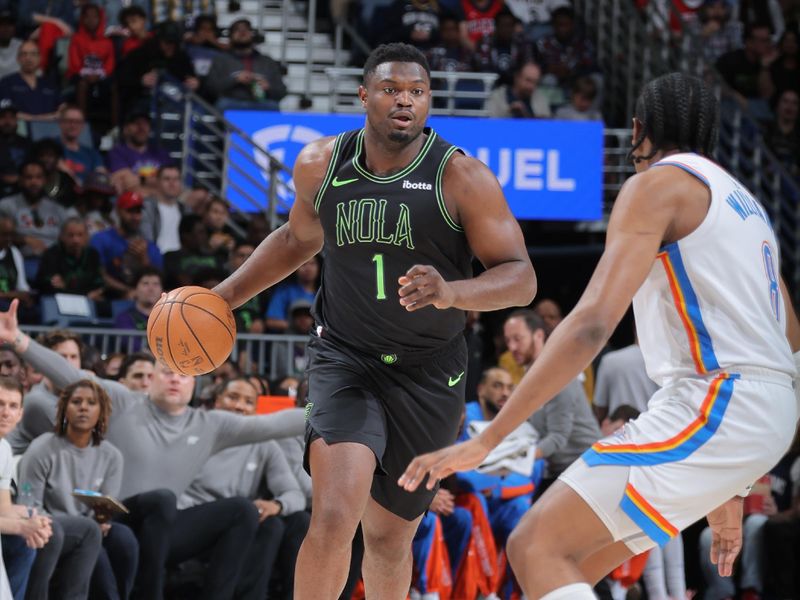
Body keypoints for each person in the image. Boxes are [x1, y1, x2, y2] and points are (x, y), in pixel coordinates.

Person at [399, 73, 800, 600]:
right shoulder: (748, 209)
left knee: (534, 547)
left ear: (638, 130)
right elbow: (788, 340)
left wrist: (488, 439)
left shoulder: (657, 184)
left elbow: (591, 324)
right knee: (573, 564)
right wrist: (732, 485)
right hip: (766, 413)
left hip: (717, 401)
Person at [212, 42, 536, 599]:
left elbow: (520, 276)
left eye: (416, 91)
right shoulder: (322, 163)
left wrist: (452, 291)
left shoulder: (462, 177)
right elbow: (296, 239)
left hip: (430, 373)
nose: (404, 101)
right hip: (346, 358)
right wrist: (221, 297)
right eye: (391, 90)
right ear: (365, 95)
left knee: (388, 538)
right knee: (335, 515)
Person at [0, 302, 305, 600]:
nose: (175, 378)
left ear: (195, 385)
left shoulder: (211, 424)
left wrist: (329, 409)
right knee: (162, 498)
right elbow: (70, 375)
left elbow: (276, 424)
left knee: (241, 509)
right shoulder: (122, 401)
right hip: (118, 519)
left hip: (166, 529)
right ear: (153, 378)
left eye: (184, 374)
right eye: (167, 371)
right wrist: (18, 340)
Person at [180, 377, 310, 600]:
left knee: (272, 525)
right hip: (189, 520)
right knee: (242, 509)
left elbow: (295, 494)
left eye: (248, 402)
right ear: (216, 401)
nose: (240, 406)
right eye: (232, 397)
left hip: (237, 528)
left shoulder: (264, 445)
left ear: (255, 409)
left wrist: (277, 505)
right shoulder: (195, 431)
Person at [20, 379, 137, 600]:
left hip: (89, 528)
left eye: (91, 403)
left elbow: (104, 506)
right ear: (64, 409)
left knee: (124, 537)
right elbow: (28, 503)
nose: (83, 407)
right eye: (76, 401)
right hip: (49, 524)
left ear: (102, 411)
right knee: (89, 533)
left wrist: (103, 518)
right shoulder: (43, 448)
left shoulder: (112, 456)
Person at [0, 376, 52, 600]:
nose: (6, 412)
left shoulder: (4, 448)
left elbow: (3, 508)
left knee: (32, 533)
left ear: (20, 414)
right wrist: (22, 528)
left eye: (13, 406)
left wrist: (34, 521)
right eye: (0, 404)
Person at [90, 191, 164, 296]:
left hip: (142, 301)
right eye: (130, 211)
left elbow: (157, 282)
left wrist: (144, 260)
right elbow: (98, 274)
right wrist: (127, 291)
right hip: (109, 297)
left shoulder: (151, 248)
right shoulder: (101, 239)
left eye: (138, 212)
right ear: (118, 211)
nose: (135, 217)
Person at [204, 18, 286, 111]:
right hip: (232, 103)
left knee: (273, 107)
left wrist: (268, 87)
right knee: (223, 104)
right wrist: (235, 79)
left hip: (261, 104)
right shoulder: (221, 59)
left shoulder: (267, 61)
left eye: (246, 29)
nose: (242, 32)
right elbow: (210, 89)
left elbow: (281, 92)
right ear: (230, 36)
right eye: (237, 30)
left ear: (252, 34)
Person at [0, 160, 71, 257]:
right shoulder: (6, 205)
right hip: (21, 260)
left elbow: (69, 236)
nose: (34, 182)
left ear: (45, 180)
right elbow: (2, 236)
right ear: (20, 180)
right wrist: (24, 240)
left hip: (55, 262)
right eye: (29, 177)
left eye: (38, 177)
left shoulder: (58, 209)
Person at [35, 217, 105, 299]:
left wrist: (66, 288)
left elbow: (99, 285)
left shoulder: (92, 255)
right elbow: (50, 287)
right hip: (60, 301)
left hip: (90, 301)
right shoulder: (51, 255)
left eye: (80, 235)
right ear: (61, 236)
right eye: (70, 235)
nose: (75, 240)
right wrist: (85, 295)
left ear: (87, 236)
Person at [593, 341, 658, 421]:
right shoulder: (663, 360)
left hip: (618, 426)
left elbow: (600, 408)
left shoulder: (609, 361)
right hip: (653, 425)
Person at [0, 40, 60, 121]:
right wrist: (40, 119)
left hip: (48, 131)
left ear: (40, 58)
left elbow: (63, 110)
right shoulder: (6, 82)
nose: (28, 58)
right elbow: (7, 113)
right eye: (24, 54)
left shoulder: (49, 84)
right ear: (18, 58)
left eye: (33, 54)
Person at [486, 60, 551, 118]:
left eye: (535, 82)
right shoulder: (497, 97)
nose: (531, 86)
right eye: (528, 80)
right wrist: (509, 114)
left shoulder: (540, 98)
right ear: (517, 77)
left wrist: (525, 116)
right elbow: (489, 126)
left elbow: (546, 127)